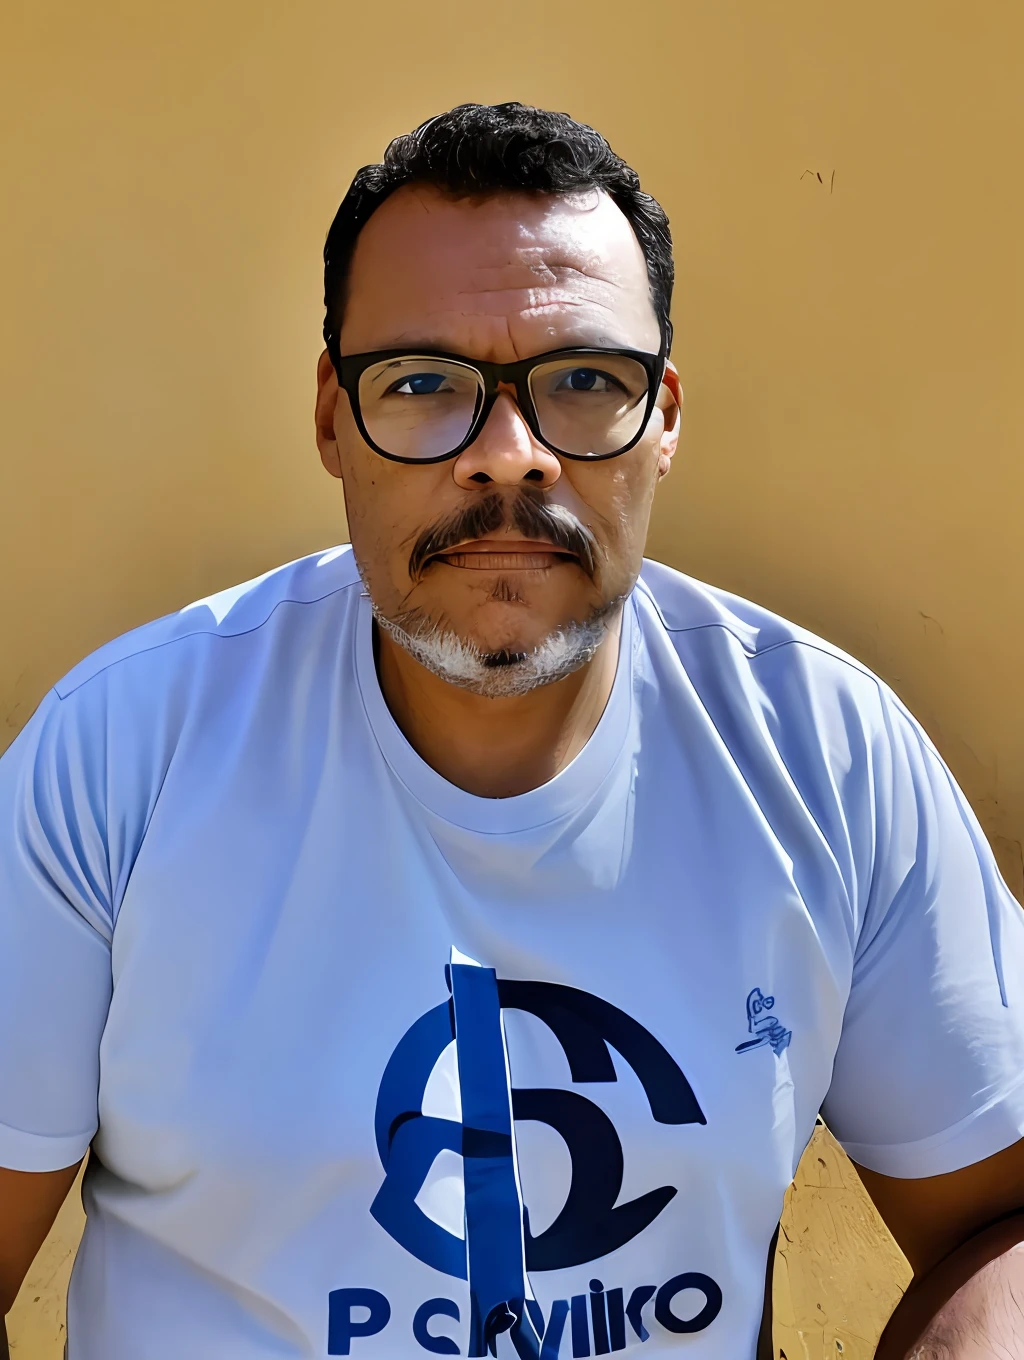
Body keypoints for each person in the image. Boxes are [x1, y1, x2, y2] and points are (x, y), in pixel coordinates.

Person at [1, 102, 1023, 1360]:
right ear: (331, 416)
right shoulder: (122, 754)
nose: (508, 455)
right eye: (423, 384)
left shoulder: (823, 751)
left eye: (585, 383)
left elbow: (1001, 1224)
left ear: (664, 421)